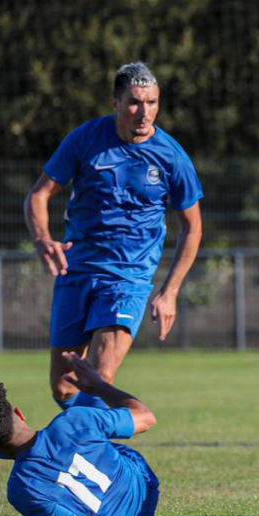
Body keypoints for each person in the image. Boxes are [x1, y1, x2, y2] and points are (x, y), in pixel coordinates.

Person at [25, 62, 203, 409]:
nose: (144, 112)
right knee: (64, 388)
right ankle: (87, 446)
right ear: (115, 103)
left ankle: (95, 457)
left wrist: (170, 291)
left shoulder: (172, 157)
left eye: (152, 102)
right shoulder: (85, 139)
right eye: (135, 102)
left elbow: (192, 227)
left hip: (128, 278)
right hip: (76, 271)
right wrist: (42, 238)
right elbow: (38, 194)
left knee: (99, 378)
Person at [0, 357, 159, 516]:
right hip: (144, 489)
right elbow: (147, 418)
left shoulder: (20, 488)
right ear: (19, 414)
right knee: (92, 440)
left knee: (46, 488)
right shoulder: (74, 419)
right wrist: (99, 386)